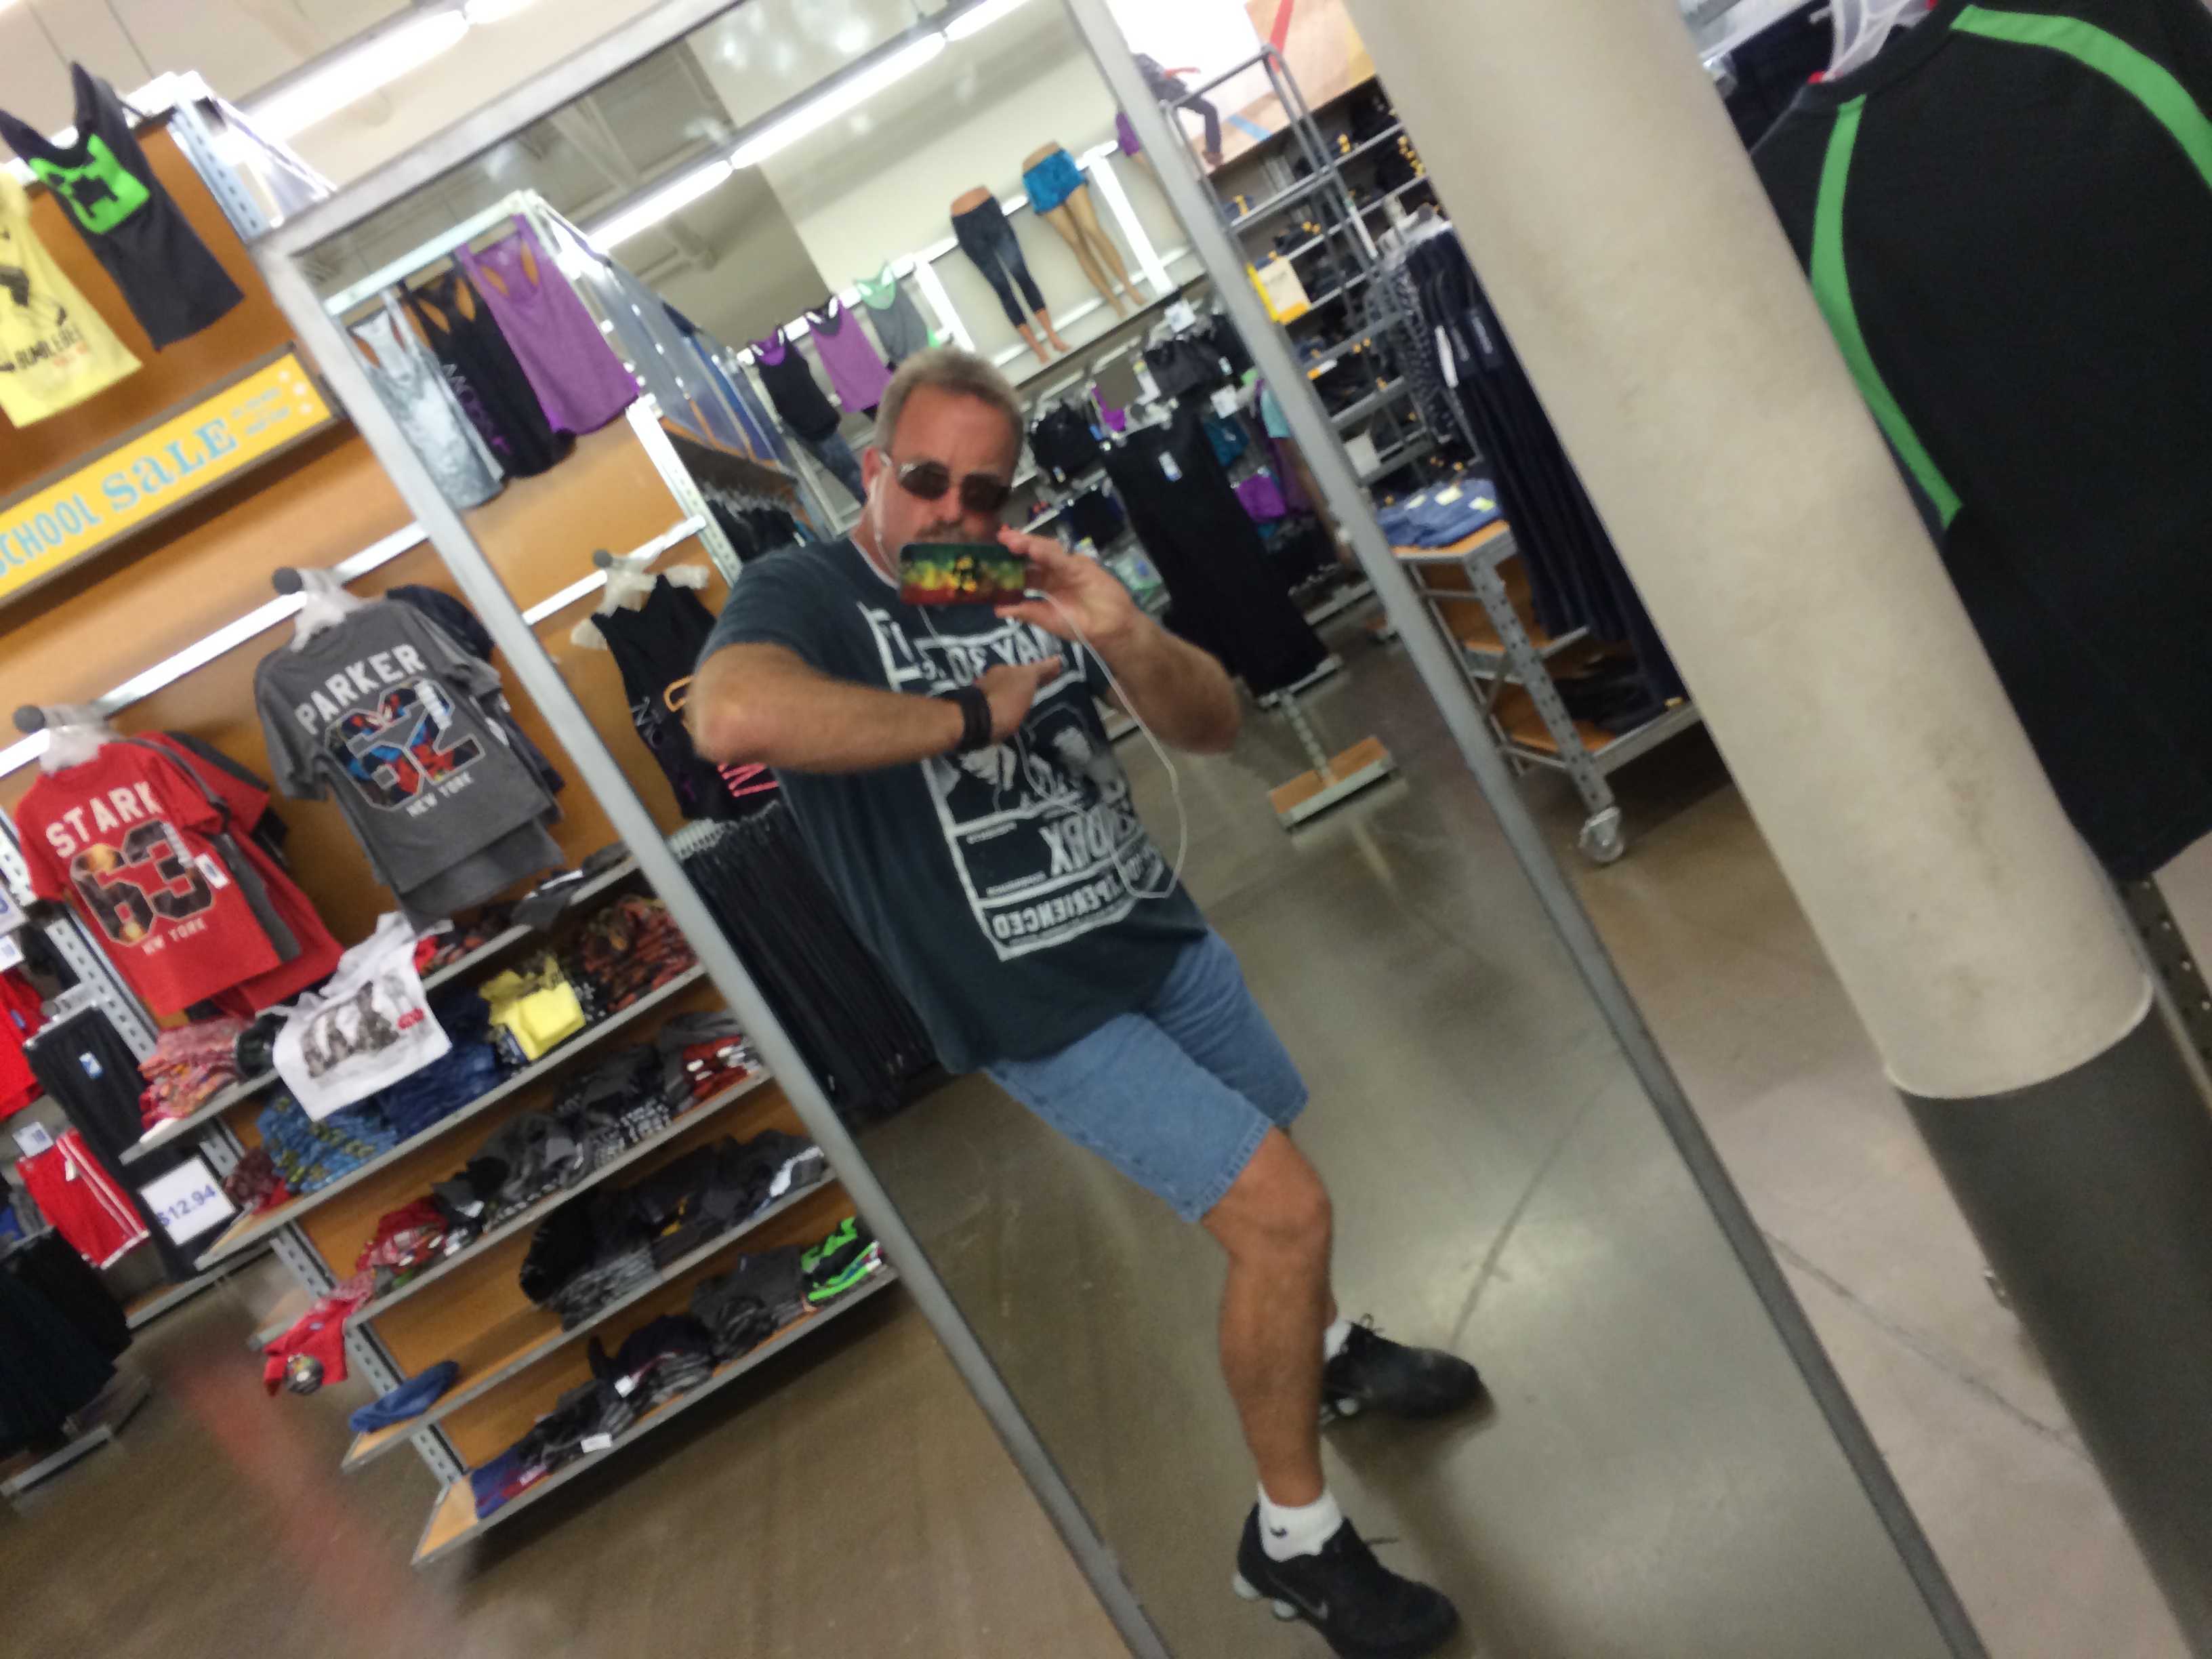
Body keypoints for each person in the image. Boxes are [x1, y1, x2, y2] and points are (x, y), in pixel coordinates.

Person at [689, 347, 1482, 1658]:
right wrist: (967, 717)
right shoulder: (807, 588)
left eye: (983, 493)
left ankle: (1329, 1351)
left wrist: (1125, 632)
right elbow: (728, 717)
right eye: (926, 480)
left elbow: (1212, 727)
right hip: (1032, 997)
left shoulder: (1009, 576)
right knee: (1283, 1217)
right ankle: (1293, 1541)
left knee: (1277, 1160)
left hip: (1154, 931)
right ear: (872, 468)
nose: (952, 513)